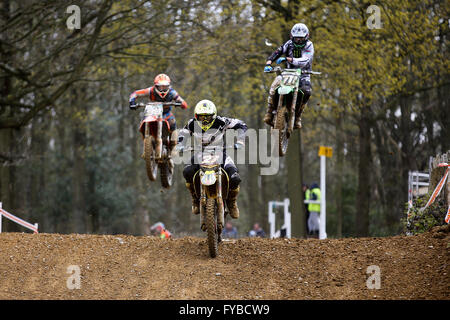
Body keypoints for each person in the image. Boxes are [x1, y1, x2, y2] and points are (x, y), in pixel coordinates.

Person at [178, 99, 247, 228]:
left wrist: (240, 141)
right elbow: (183, 133)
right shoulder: (192, 123)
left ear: (213, 115)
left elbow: (241, 125)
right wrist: (180, 145)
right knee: (187, 172)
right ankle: (194, 198)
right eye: (201, 117)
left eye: (207, 117)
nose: (204, 120)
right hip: (200, 155)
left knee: (235, 177)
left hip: (220, 154)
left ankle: (232, 202)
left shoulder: (222, 121)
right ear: (196, 116)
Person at [263, 23, 314, 129]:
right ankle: (269, 112)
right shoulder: (289, 43)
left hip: (304, 74)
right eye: (296, 38)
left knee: (306, 91)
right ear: (292, 37)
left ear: (306, 37)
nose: (298, 41)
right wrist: (268, 63)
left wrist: (288, 59)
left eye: (300, 39)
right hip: (288, 72)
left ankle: (298, 116)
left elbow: (304, 60)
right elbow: (278, 51)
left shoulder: (309, 45)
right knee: (275, 84)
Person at [129, 73, 189, 154]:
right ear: (156, 86)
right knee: (143, 122)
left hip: (166, 114)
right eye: (160, 86)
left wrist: (182, 103)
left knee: (172, 122)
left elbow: (180, 99)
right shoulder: (150, 91)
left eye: (165, 86)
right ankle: (146, 147)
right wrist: (132, 101)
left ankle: (174, 145)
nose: (163, 89)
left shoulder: (172, 92)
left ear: (168, 86)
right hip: (152, 114)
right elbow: (135, 93)